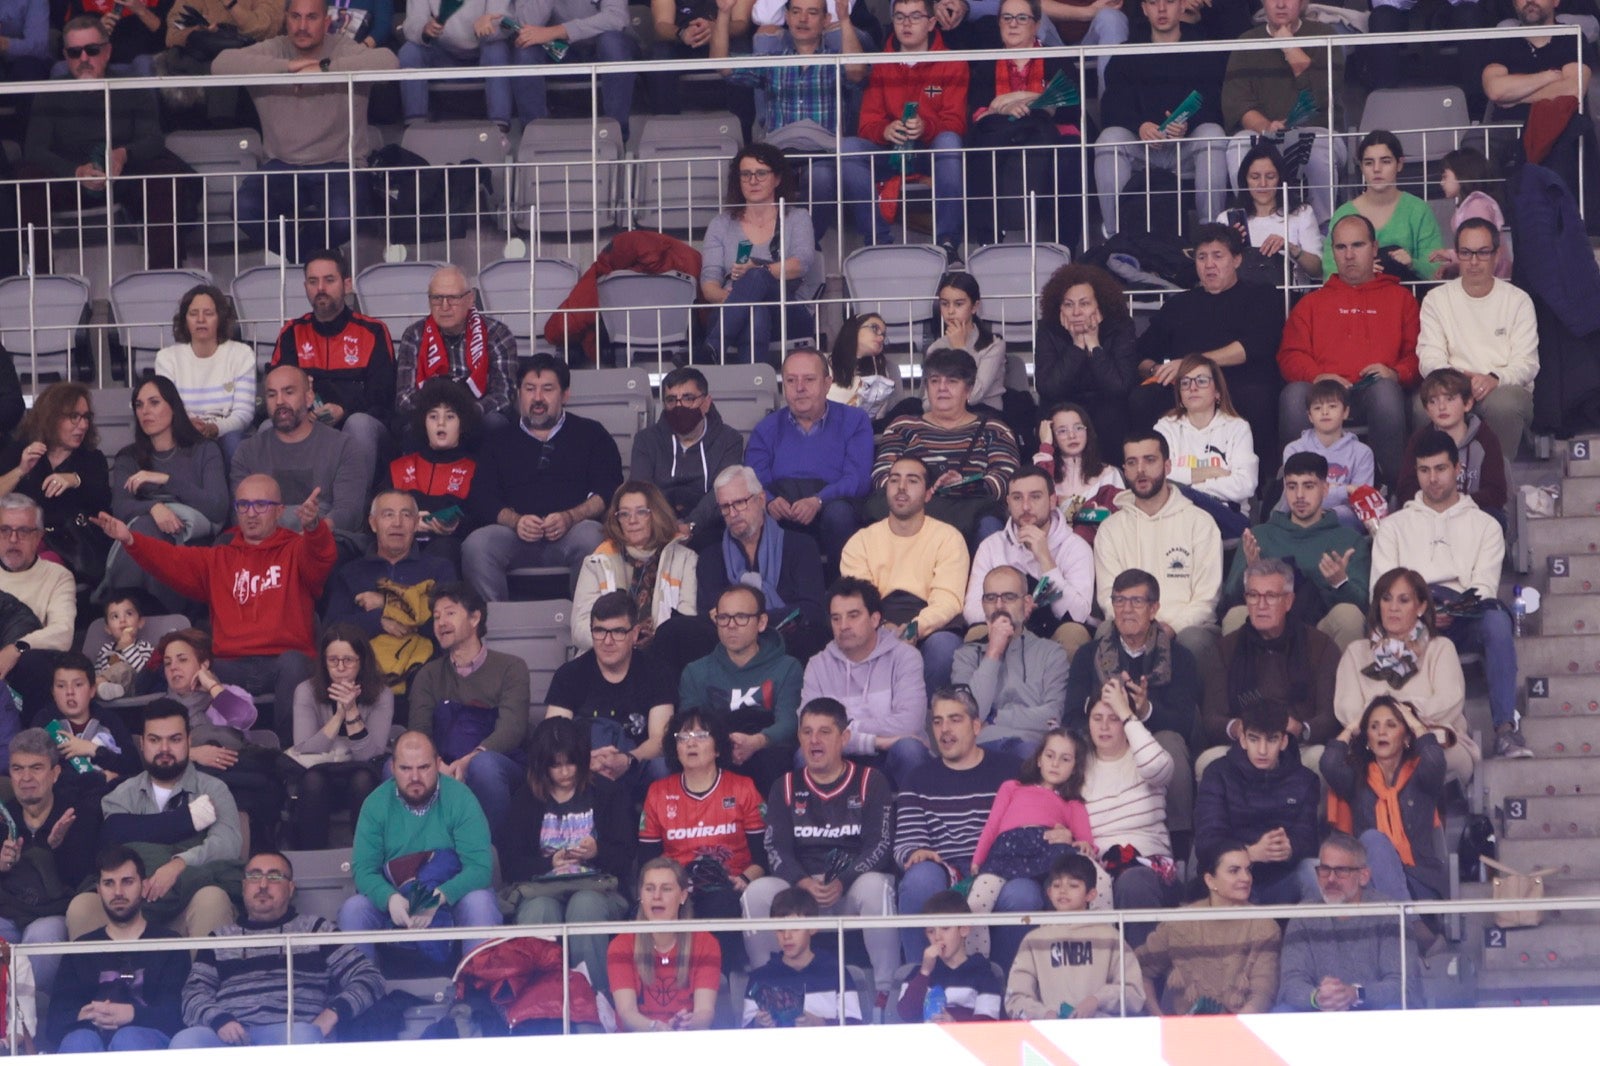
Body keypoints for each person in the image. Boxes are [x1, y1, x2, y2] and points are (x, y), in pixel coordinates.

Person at [93, 477, 332, 739]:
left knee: (295, 664)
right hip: (230, 663)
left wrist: (313, 528)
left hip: (284, 661)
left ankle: (290, 753)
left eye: (261, 505)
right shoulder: (218, 557)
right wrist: (130, 539)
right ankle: (218, 749)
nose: (251, 513)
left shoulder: (297, 549)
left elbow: (321, 557)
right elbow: (171, 560)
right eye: (243, 505)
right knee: (200, 668)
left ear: (279, 510)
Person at [1373, 431, 1525, 760]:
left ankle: (1505, 730)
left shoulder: (1485, 525)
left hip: (1465, 613)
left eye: (1440, 468)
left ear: (1458, 469)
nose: (1432, 478)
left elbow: (1484, 587)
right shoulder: (1393, 527)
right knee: (1385, 622)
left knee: (1497, 620)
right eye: (1424, 470)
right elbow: (1382, 589)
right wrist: (1423, 612)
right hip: (1411, 615)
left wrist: (1453, 610)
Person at [212, 0, 399, 259]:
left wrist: (323, 68)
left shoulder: (342, 47)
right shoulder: (275, 49)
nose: (302, 26)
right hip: (282, 164)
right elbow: (220, 64)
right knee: (245, 207)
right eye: (295, 17)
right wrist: (287, 68)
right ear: (286, 18)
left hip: (339, 163)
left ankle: (307, 264)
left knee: (344, 218)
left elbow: (389, 60)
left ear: (326, 21)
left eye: (311, 17)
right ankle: (309, 261)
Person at [742, 698, 899, 994]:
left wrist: (842, 881)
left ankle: (885, 992)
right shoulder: (784, 785)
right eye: (807, 732)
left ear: (844, 738)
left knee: (877, 887)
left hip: (850, 886)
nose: (814, 740)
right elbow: (775, 848)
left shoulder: (871, 781)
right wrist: (801, 881)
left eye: (825, 732)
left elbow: (880, 845)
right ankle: (767, 988)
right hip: (801, 890)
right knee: (757, 893)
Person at [17, 19, 189, 272]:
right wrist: (75, 172)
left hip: (123, 175)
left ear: (107, 51)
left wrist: (123, 154)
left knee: (164, 172)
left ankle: (165, 274)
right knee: (29, 176)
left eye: (92, 50)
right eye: (75, 53)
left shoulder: (132, 85)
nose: (84, 58)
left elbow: (153, 138)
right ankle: (41, 276)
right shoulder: (50, 92)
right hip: (70, 178)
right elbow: (35, 149)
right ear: (65, 56)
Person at [171, 850, 386, 1048]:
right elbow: (194, 993)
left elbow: (369, 977)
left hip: (295, 1033)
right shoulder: (220, 938)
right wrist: (219, 1020)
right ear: (244, 886)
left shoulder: (316, 930)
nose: (263, 884)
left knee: (304, 1035)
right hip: (230, 1037)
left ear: (290, 888)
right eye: (254, 876)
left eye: (274, 877)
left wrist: (332, 1014)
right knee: (186, 1041)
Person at [69, 701, 240, 941]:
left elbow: (228, 845)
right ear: (142, 743)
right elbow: (114, 853)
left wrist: (179, 864)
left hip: (188, 903)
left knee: (212, 899)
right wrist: (185, 825)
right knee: (82, 907)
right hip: (128, 913)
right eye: (154, 740)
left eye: (175, 739)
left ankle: (203, 969)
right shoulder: (120, 795)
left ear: (189, 741)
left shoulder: (214, 789)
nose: (164, 748)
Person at [462, 355, 623, 599]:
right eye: (529, 389)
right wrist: (516, 521)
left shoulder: (592, 434)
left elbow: (608, 489)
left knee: (594, 537)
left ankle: (587, 620)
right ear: (519, 394)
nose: (537, 398)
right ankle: (491, 621)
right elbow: (482, 497)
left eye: (547, 389)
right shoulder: (497, 440)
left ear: (565, 395)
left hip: (573, 532)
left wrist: (570, 517)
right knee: (477, 545)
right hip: (513, 536)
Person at [1277, 214, 1421, 485]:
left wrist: (1395, 373)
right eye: (1341, 247)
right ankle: (1293, 487)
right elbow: (1290, 355)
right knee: (1293, 396)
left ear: (1374, 248)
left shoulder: (1402, 299)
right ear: (1333, 252)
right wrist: (1317, 376)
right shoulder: (1312, 303)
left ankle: (1392, 489)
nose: (1349, 255)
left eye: (1358, 245)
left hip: (1374, 392)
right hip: (1323, 393)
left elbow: (1417, 355)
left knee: (1386, 392)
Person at [1067, 572, 1203, 856]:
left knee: (1171, 743)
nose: (1126, 609)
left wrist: (1144, 711)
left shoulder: (1179, 658)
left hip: (1154, 746)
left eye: (1136, 601)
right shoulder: (1088, 655)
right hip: (1104, 742)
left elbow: (1185, 722)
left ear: (1154, 608)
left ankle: (1179, 851)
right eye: (1119, 600)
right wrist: (1106, 717)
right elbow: (1072, 716)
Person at [337, 731, 502, 959]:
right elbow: (364, 870)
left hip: (449, 896)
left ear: (438, 764)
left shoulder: (461, 798)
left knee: (480, 902)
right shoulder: (375, 803)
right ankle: (361, 981)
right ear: (393, 768)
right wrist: (389, 898)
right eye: (405, 768)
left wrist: (438, 897)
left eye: (423, 767)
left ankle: (477, 980)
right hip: (397, 898)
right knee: (354, 909)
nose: (415, 777)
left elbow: (480, 868)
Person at [500, 716, 634, 988]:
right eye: (555, 765)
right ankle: (537, 1003)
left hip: (599, 890)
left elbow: (626, 855)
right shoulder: (526, 799)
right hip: (541, 891)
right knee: (539, 911)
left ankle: (593, 1000)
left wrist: (597, 852)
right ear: (542, 766)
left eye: (570, 763)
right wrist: (549, 862)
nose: (565, 772)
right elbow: (510, 863)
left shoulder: (607, 792)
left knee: (584, 905)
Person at [712, 0, 864, 235]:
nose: (803, 19)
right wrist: (723, 14)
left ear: (825, 20)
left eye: (812, 13)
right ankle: (769, 243)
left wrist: (844, 20)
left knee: (821, 177)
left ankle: (809, 243)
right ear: (787, 17)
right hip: (779, 155)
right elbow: (722, 66)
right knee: (756, 174)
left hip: (822, 155)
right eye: (796, 12)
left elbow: (856, 72)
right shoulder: (773, 61)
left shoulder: (834, 61)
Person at [1132, 223, 1286, 454]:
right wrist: (1157, 370)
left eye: (1218, 256)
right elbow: (1141, 353)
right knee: (1143, 398)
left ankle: (1257, 475)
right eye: (1202, 257)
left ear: (1236, 260)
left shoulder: (1261, 295)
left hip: (1240, 381)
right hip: (1185, 387)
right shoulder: (1179, 305)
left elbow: (1253, 346)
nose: (1209, 264)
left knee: (1257, 398)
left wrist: (1189, 365)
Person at [893, 686, 1021, 962]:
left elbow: (1031, 822)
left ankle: (1006, 982)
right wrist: (916, 852)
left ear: (976, 726)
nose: (945, 730)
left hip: (999, 869)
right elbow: (906, 843)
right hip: (945, 869)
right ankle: (921, 975)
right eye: (938, 721)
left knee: (1023, 893)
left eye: (955, 720)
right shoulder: (917, 778)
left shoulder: (1011, 770)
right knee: (919, 879)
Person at [638, 711, 766, 969]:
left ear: (718, 747)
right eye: (683, 736)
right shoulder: (658, 792)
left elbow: (763, 857)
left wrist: (744, 879)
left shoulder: (743, 788)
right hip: (677, 888)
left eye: (701, 735)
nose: (691, 743)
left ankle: (726, 981)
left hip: (729, 886)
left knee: (721, 902)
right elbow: (648, 862)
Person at [840, 0, 969, 258]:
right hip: (891, 152)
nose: (906, 24)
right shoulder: (882, 62)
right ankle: (877, 240)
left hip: (930, 152)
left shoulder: (953, 62)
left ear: (931, 23)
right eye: (899, 17)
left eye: (915, 17)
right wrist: (885, 130)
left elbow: (956, 123)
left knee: (949, 142)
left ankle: (947, 242)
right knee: (848, 147)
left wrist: (926, 127)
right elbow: (867, 124)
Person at [1094, 0, 1229, 235]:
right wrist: (1140, 126)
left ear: (1182, 6)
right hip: (1142, 148)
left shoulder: (1202, 48)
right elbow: (1111, 105)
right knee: (1108, 140)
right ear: (1144, 9)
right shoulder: (1127, 51)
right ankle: (1116, 235)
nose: (1162, 9)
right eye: (1153, 2)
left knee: (1213, 134)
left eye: (1169, 1)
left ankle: (1211, 232)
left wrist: (1187, 125)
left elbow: (1215, 103)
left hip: (1186, 146)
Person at [407, 582, 529, 834]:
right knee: (396, 767)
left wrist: (469, 760)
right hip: (439, 762)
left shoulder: (511, 667)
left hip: (497, 761)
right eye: (436, 617)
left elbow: (512, 729)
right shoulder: (428, 675)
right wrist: (435, 764)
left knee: (483, 766)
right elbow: (419, 730)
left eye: (450, 613)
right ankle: (418, 848)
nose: (441, 623)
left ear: (475, 618)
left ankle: (492, 850)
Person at [1335, 567, 1478, 782]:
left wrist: (1402, 717)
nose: (1393, 608)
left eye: (1403, 600)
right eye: (1386, 599)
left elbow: (1449, 700)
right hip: (1373, 747)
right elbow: (1348, 709)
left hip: (1431, 742)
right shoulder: (1356, 652)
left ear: (1420, 607)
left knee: (1432, 759)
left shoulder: (1441, 648)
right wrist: (1386, 727)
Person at [1093, 433, 1223, 666]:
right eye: (1132, 462)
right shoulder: (1110, 528)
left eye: (1150, 460)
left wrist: (1169, 628)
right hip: (1129, 626)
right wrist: (1142, 627)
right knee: (1105, 632)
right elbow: (1107, 597)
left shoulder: (1200, 523)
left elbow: (1206, 600)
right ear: (1125, 470)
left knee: (1193, 640)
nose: (1140, 470)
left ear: (1167, 466)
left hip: (1186, 631)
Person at [842, 455, 972, 690]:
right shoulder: (861, 541)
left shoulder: (948, 538)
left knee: (944, 649)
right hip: (878, 620)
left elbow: (948, 601)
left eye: (912, 480)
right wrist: (884, 628)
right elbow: (859, 600)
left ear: (928, 493)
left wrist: (913, 629)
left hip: (932, 623)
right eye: (894, 480)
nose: (901, 487)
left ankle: (925, 712)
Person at [959, 0, 1082, 246]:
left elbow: (1071, 109)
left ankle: (1065, 246)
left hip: (1050, 133)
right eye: (1006, 18)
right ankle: (988, 242)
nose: (1013, 24)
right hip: (1002, 135)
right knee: (981, 150)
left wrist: (1017, 98)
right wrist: (1009, 107)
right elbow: (979, 113)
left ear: (1036, 25)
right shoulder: (986, 63)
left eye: (1022, 18)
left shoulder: (1057, 59)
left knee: (1069, 156)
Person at [101, 377, 230, 611]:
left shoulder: (204, 450)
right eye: (139, 405)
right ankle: (153, 614)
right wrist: (153, 508)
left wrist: (166, 480)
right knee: (145, 527)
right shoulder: (128, 457)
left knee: (143, 530)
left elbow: (217, 507)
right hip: (143, 549)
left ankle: (123, 608)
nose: (145, 411)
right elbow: (120, 507)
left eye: (154, 402)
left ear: (173, 406)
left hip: (190, 548)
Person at [964, 729, 1092, 962]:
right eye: (1050, 755)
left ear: (1075, 768)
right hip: (1007, 848)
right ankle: (977, 965)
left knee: (1074, 885)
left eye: (1065, 759)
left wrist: (1072, 838)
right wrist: (978, 859)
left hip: (1047, 848)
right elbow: (992, 824)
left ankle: (1096, 950)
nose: (1055, 763)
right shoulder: (1012, 787)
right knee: (977, 903)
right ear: (1039, 759)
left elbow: (1086, 843)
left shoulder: (1071, 802)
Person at [1205, 557, 1341, 774]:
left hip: (1298, 744)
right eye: (1253, 595)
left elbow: (1330, 716)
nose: (1261, 605)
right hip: (1245, 745)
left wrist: (1300, 729)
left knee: (1319, 757)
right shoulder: (1225, 648)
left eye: (1270, 596)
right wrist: (1237, 728)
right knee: (1207, 761)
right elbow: (1211, 717)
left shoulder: (1320, 645)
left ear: (1288, 601)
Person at [870, 350, 1020, 545]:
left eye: (952, 381)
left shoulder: (994, 429)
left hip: (971, 513)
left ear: (969, 389)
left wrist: (965, 485)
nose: (942, 388)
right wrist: (922, 490)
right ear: (926, 387)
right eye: (934, 381)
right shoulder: (902, 427)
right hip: (911, 511)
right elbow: (881, 475)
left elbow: (1007, 477)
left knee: (990, 526)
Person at [1416, 219, 1539, 456]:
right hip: (1452, 385)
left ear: (1497, 254)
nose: (1473, 262)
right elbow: (1429, 357)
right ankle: (1442, 474)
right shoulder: (1436, 299)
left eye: (1482, 253)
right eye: (1466, 253)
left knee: (1503, 405)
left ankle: (1498, 475)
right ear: (1457, 255)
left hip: (1502, 388)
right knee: (1421, 407)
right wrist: (1458, 382)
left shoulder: (1518, 300)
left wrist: (1494, 379)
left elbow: (1527, 364)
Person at [269, 250, 397, 478]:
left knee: (359, 424)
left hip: (361, 427)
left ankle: (354, 500)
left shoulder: (373, 331)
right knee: (269, 427)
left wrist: (344, 410)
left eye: (329, 280)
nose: (320, 288)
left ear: (346, 285)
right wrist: (303, 414)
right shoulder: (291, 333)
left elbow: (383, 398)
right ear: (305, 286)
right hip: (306, 425)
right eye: (313, 281)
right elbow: (277, 392)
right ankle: (283, 499)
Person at [49, 847, 190, 1054]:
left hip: (147, 1044)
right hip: (89, 1042)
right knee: (80, 1040)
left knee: (129, 1038)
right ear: (98, 890)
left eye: (127, 881)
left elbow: (178, 1015)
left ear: (143, 886)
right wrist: (83, 1015)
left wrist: (133, 1014)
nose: (118, 892)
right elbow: (54, 1022)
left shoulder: (169, 944)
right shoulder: (80, 949)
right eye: (109, 883)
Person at [1222, 453, 1370, 648]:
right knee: (1236, 616)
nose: (1299, 495)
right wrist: (1251, 572)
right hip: (1266, 629)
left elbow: (1364, 605)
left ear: (1325, 489)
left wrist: (1340, 582)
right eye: (1292, 487)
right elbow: (1229, 599)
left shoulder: (1349, 539)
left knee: (1348, 615)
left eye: (1308, 486)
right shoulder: (1258, 536)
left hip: (1321, 636)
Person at [1220, 0, 1346, 222]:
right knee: (1238, 146)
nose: (1280, 4)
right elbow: (1238, 104)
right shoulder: (1247, 42)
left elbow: (1322, 97)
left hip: (1316, 132)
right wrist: (1267, 127)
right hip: (1263, 134)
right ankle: (1250, 223)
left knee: (1318, 148)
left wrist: (1290, 47)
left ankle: (1325, 226)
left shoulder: (1324, 35)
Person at [745, 348, 874, 561]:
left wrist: (818, 500)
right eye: (791, 380)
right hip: (783, 510)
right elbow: (753, 480)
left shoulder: (854, 420)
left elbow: (857, 479)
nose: (800, 388)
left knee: (839, 514)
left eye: (809, 379)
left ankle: (841, 581)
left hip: (834, 508)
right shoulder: (766, 428)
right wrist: (769, 501)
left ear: (827, 384)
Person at [544, 591, 675, 796]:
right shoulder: (569, 674)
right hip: (582, 767)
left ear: (635, 634)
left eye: (618, 632)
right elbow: (552, 736)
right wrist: (584, 761)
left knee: (662, 767)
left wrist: (626, 759)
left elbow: (660, 741)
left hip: (635, 763)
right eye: (600, 631)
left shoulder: (657, 672)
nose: (607, 641)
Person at [800, 577, 928, 787]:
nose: (843, 626)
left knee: (909, 749)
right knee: (804, 754)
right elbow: (809, 729)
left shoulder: (905, 657)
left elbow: (909, 723)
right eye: (836, 618)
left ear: (875, 619)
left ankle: (914, 809)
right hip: (842, 758)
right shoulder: (818, 665)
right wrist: (873, 742)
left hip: (890, 756)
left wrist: (846, 728)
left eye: (853, 616)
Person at [1321, 696, 1448, 903]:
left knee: (1372, 841)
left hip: (1420, 880)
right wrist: (1352, 727)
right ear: (1367, 739)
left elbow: (1435, 760)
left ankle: (1402, 917)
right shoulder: (1357, 779)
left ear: (1406, 737)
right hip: (1373, 884)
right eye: (1374, 726)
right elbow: (1330, 763)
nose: (1382, 732)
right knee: (1373, 840)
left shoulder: (1421, 776)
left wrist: (1415, 724)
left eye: (1391, 725)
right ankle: (1405, 920)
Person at [678, 584, 802, 794]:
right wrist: (724, 745)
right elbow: (690, 727)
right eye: (724, 618)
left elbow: (790, 724)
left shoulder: (787, 667)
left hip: (769, 758)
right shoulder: (695, 672)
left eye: (741, 617)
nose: (731, 625)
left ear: (761, 622)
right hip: (715, 755)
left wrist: (756, 742)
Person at [696, 466, 829, 661]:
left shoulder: (801, 546)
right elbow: (711, 617)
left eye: (739, 503)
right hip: (731, 656)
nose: (732, 513)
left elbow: (812, 611)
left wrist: (745, 619)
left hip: (790, 650)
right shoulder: (710, 558)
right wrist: (763, 618)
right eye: (725, 507)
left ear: (760, 500)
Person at [700, 145, 817, 365]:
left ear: (777, 179)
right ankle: (754, 381)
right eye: (746, 174)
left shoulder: (797, 218)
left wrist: (758, 270)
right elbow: (709, 285)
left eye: (761, 173)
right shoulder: (720, 224)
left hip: (788, 310)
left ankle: (712, 348)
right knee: (756, 312)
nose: (753, 181)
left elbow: (801, 264)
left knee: (756, 275)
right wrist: (740, 300)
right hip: (732, 314)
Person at [1194, 696, 1318, 904]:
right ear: (1243, 739)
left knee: (1312, 870)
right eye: (1254, 739)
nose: (1262, 750)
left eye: (1271, 740)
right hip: (1231, 880)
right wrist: (1250, 854)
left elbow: (1309, 840)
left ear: (1284, 741)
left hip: (1281, 881)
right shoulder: (1217, 774)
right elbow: (1207, 843)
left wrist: (1289, 848)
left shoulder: (1304, 780)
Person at [1277, 832, 1420, 1012]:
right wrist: (1317, 997)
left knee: (1395, 1009)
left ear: (1363, 876)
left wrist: (1356, 994)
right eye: (1325, 870)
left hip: (1375, 1016)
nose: (1331, 879)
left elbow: (1403, 985)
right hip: (1320, 1015)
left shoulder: (1389, 913)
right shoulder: (1303, 916)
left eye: (1341, 871)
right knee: (1282, 1011)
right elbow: (1290, 983)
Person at [1136, 839, 1281, 1014]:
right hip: (1183, 1028)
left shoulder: (1265, 926)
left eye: (1248, 869)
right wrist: (1159, 1020)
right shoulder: (1180, 922)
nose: (1246, 878)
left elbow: (1263, 993)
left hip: (1241, 1027)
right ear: (1210, 881)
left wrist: (1233, 1028)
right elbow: (1138, 968)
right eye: (1234, 871)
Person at [323, 490, 458, 677]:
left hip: (425, 675)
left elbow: (452, 626)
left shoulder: (439, 569)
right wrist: (378, 620)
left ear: (415, 523)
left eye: (406, 515)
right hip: (365, 677)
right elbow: (332, 630)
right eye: (388, 515)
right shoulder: (351, 573)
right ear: (373, 523)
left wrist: (387, 604)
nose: (397, 523)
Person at [1080, 680, 1179, 932]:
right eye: (1097, 718)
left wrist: (1126, 712)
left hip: (1148, 867)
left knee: (1132, 881)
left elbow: (1158, 767)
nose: (1104, 726)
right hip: (1096, 868)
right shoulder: (1078, 766)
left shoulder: (1144, 755)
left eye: (1113, 718)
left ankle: (1141, 960)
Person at [963, 465, 1094, 649]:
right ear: (1008, 502)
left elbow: (1078, 615)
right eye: (1017, 498)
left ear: (1052, 500)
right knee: (976, 633)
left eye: (1035, 497)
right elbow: (971, 611)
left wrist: (1046, 560)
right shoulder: (991, 546)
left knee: (1073, 633)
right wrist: (1014, 612)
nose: (1025, 506)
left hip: (1054, 634)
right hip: (1004, 630)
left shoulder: (1075, 546)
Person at [288, 624, 393, 850]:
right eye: (333, 660)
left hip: (363, 777)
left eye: (348, 660)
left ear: (362, 661)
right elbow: (305, 748)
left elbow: (369, 756)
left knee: (362, 779)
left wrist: (352, 711)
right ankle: (313, 858)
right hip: (321, 774)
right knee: (313, 781)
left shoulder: (382, 694)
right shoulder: (306, 690)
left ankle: (366, 858)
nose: (341, 668)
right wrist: (339, 715)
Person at [2, 728, 91, 994]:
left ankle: (27, 1013)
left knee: (42, 940)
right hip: (7, 912)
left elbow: (83, 880)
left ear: (55, 773)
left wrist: (56, 848)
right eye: (18, 769)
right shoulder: (3, 815)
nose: (26, 778)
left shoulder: (76, 814)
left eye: (36, 768)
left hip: (53, 914)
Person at [1005, 852, 1145, 1019]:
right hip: (1050, 1032)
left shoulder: (1110, 937)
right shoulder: (1034, 940)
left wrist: (1097, 1001)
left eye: (1073, 885)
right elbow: (1015, 998)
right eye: (1057, 885)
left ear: (1091, 894)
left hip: (1102, 1031)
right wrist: (1043, 1014)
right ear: (1049, 892)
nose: (1063, 891)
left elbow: (1134, 992)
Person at [952, 565, 1071, 762]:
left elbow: (1052, 717)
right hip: (981, 749)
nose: (999, 605)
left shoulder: (1051, 653)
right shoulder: (966, 655)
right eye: (991, 598)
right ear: (983, 604)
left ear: (1026, 603)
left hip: (1030, 749)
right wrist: (993, 652)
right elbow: (967, 717)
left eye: (1008, 597)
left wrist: (996, 717)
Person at [0, 382, 111, 583]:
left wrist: (75, 479)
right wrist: (21, 470)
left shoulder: (92, 459)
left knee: (45, 564)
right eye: (74, 417)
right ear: (51, 418)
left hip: (69, 549)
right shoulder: (20, 451)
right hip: (19, 542)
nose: (83, 425)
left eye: (86, 417)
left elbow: (101, 496)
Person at [571, 481, 698, 655]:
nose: (632, 520)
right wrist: (623, 638)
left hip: (664, 656)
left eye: (641, 512)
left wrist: (656, 638)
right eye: (624, 514)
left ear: (657, 515)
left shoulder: (685, 560)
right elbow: (580, 629)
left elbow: (688, 622)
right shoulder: (596, 562)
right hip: (605, 657)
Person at [1032, 264, 1139, 466]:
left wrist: (1094, 344)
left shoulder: (1120, 327)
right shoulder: (1048, 329)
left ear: (1100, 305)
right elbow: (1048, 387)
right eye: (1068, 305)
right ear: (1059, 307)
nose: (1076, 312)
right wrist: (1076, 347)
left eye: (1084, 304)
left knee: (1112, 414)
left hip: (1106, 403)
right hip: (1063, 402)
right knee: (1050, 413)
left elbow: (1119, 387)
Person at [393, 264, 518, 430]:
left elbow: (504, 396)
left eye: (453, 298)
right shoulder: (415, 334)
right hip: (430, 422)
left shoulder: (497, 334)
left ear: (470, 299)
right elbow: (404, 399)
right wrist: (440, 416)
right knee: (409, 428)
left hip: (478, 418)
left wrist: (463, 414)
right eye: (437, 298)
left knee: (495, 423)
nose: (445, 306)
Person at [629, 367, 746, 541]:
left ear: (706, 402)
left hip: (710, 529)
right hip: (657, 529)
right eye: (671, 400)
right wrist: (667, 527)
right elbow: (642, 490)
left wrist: (691, 525)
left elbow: (722, 491)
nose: (679, 406)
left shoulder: (729, 440)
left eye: (688, 398)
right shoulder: (646, 440)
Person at [1150, 353, 1259, 539]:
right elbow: (1156, 475)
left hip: (1227, 516)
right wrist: (1208, 472)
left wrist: (1187, 488)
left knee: (1176, 495)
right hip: (1178, 515)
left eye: (1201, 381)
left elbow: (1245, 485)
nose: (1192, 387)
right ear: (1180, 394)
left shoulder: (1237, 427)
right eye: (1185, 383)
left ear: (1217, 392)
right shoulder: (1165, 427)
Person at [607, 858, 720, 1032]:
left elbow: (705, 1012)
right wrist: (656, 1028)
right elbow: (626, 1013)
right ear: (640, 895)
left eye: (666, 889)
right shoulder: (620, 945)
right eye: (649, 889)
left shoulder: (706, 943)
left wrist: (687, 1024)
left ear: (682, 896)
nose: (657, 896)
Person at [153, 285, 258, 465]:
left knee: (232, 442)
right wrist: (189, 427)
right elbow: (167, 410)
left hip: (226, 434)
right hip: (183, 432)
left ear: (220, 318)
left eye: (208, 313)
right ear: (185, 320)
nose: (201, 320)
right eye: (193, 314)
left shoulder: (242, 354)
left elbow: (244, 413)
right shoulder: (167, 358)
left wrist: (215, 428)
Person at [385, 378, 483, 568]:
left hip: (446, 549)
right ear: (423, 422)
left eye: (450, 417)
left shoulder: (475, 469)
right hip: (399, 545)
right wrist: (407, 522)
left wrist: (456, 525)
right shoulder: (398, 467)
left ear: (462, 424)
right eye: (433, 416)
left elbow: (481, 518)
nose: (441, 423)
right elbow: (377, 515)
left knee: (441, 553)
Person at [1323, 131, 1444, 282]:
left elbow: (1436, 268)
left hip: (1407, 293)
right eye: (1369, 163)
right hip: (1355, 294)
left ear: (1399, 164)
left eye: (1385, 161)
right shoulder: (1343, 214)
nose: (1376, 169)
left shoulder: (1418, 210)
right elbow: (1329, 271)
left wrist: (1412, 264)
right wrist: (1360, 272)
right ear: (1361, 167)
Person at [503, 0, 638, 136]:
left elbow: (616, 17)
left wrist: (560, 30)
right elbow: (526, 25)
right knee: (526, 50)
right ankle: (535, 135)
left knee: (612, 44)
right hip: (557, 50)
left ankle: (616, 134)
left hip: (601, 47)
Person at [1397, 368, 1509, 522]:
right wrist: (1436, 506)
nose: (1441, 407)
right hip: (1429, 516)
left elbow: (1495, 492)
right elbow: (1406, 490)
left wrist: (1455, 505)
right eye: (1433, 401)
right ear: (1427, 410)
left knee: (1494, 517)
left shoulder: (1485, 438)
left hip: (1473, 515)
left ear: (1467, 404)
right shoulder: (1419, 440)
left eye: (1449, 399)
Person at [0, 494, 77, 715]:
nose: (13, 539)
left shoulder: (57, 576)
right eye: (5, 530)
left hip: (25, 675)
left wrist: (17, 648)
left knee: (33, 663)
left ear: (39, 537)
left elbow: (63, 632)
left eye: (23, 531)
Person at [742, 887, 863, 1026]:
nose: (786, 936)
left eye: (795, 928)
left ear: (813, 928)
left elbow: (855, 1026)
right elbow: (742, 1030)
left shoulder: (836, 973)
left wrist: (818, 1023)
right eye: (780, 929)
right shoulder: (760, 978)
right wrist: (758, 1023)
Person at [40, 653, 144, 805]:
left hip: (111, 803)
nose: (70, 692)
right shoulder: (44, 723)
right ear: (53, 692)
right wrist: (99, 778)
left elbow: (134, 767)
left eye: (78, 685)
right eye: (61, 686)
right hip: (61, 805)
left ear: (92, 690)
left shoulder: (110, 720)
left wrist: (94, 750)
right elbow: (39, 774)